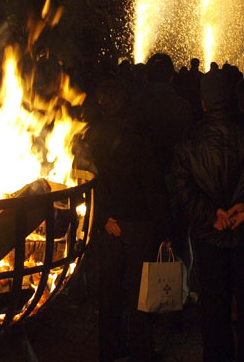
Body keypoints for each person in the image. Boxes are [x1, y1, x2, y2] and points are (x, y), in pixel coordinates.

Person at [172, 69, 244, 362]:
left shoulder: (190, 140)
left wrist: (211, 215)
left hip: (211, 239)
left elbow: (181, 188)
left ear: (204, 101)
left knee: (214, 310)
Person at [86, 79, 172, 362]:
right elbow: (153, 188)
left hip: (108, 224)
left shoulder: (91, 138)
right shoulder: (138, 139)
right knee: (140, 292)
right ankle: (141, 352)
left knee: (109, 290)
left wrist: (100, 219)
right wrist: (164, 228)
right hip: (139, 224)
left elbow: (84, 184)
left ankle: (110, 350)